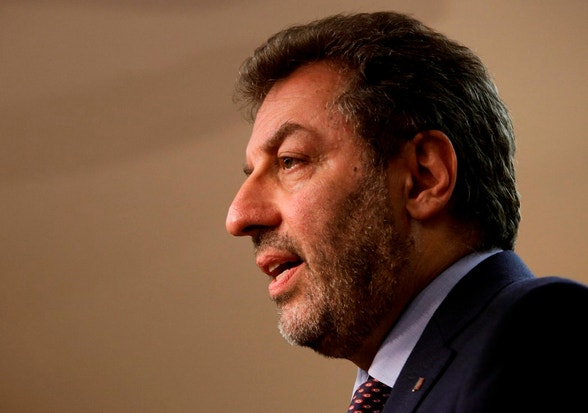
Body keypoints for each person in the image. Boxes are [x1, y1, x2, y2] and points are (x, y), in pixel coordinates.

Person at [225, 11, 588, 412]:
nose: (238, 216)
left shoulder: (541, 332)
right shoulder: (400, 387)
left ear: (423, 176)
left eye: (290, 161)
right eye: (252, 173)